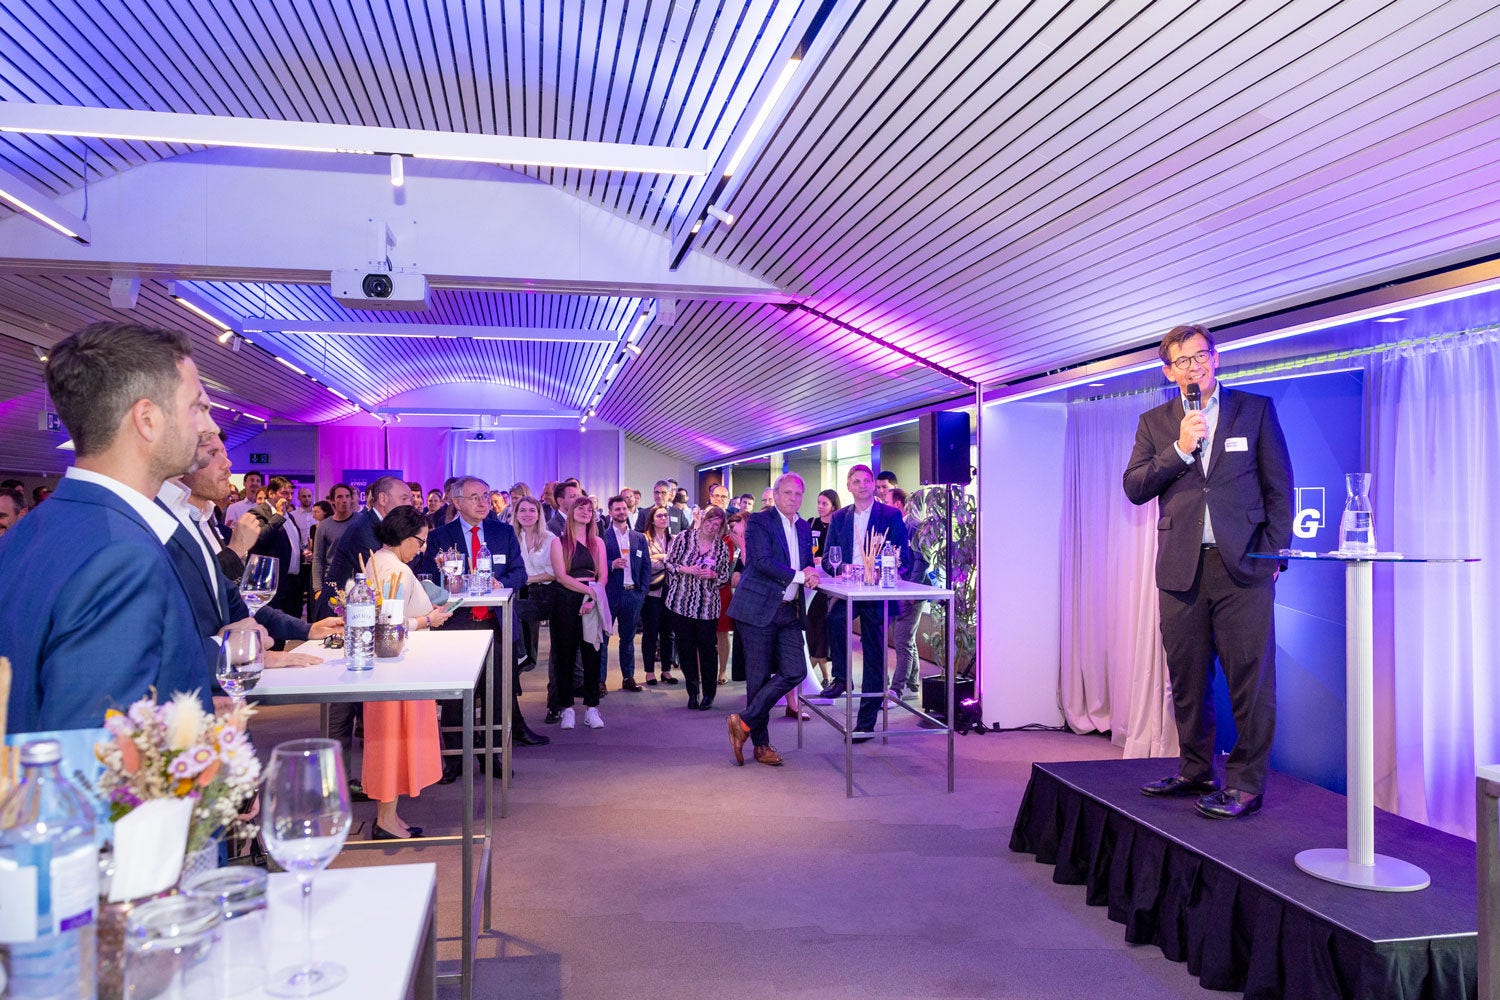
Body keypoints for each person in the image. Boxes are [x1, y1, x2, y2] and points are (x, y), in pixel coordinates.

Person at [0, 321, 218, 732]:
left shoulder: (25, 534)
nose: (209, 427)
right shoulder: (123, 556)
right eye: (196, 407)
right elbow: (97, 751)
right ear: (147, 419)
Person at [1124, 323, 1294, 820]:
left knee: (1250, 681)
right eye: (1183, 360)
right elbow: (1135, 487)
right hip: (1181, 570)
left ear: (1215, 359)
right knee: (1188, 679)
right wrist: (1179, 450)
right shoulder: (1156, 423)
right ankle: (1195, 770)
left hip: (1244, 568)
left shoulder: (1254, 410)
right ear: (1168, 372)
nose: (1194, 367)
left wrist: (1273, 555)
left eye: (1201, 356)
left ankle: (1245, 785)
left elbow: (1280, 488)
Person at [425, 475, 541, 772]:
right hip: (457, 624)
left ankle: (493, 756)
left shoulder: (503, 532)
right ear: (457, 502)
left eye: (486, 496)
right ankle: (454, 760)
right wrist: (451, 583)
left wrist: (501, 582)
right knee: (455, 693)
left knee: (496, 692)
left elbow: (519, 573)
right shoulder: (441, 536)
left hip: (495, 624)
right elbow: (428, 579)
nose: (483, 502)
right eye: (475, 497)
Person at [365, 505, 454, 838]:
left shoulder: (380, 561)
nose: (422, 548)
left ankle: (388, 815)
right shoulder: (395, 569)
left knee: (392, 741)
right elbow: (388, 624)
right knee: (393, 742)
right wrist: (427, 619)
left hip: (394, 663)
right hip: (396, 666)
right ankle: (385, 818)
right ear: (404, 536)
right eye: (420, 540)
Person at [726, 473, 822, 766]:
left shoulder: (804, 527)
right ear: (777, 495)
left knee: (795, 671)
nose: (793, 498)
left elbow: (805, 561)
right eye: (788, 493)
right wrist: (800, 575)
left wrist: (810, 571)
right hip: (757, 608)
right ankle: (761, 745)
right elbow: (761, 562)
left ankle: (743, 721)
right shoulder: (759, 521)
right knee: (757, 679)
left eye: (798, 494)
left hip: (789, 610)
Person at [818, 464, 911, 739]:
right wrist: (841, 569)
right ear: (848, 486)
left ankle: (866, 723)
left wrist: (886, 569)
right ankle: (841, 677)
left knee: (874, 655)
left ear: (873, 485)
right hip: (850, 589)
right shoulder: (839, 517)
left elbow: (904, 556)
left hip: (877, 591)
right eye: (856, 481)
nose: (862, 485)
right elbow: (828, 558)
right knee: (834, 618)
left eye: (866, 480)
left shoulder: (890, 515)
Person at [548, 495, 609, 730]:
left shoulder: (598, 542)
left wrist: (592, 598)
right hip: (566, 599)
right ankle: (567, 708)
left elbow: (603, 576)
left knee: (592, 654)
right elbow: (561, 576)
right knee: (565, 655)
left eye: (589, 510)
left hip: (592, 599)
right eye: (581, 508)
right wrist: (588, 592)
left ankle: (592, 708)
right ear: (571, 511)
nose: (585, 512)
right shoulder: (559, 542)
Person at [664, 505, 732, 711]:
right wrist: (687, 569)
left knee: (707, 650)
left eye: (717, 525)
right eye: (710, 521)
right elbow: (669, 563)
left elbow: (725, 577)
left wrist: (713, 575)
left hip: (707, 607)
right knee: (685, 649)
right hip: (681, 603)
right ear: (703, 520)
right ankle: (692, 691)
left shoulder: (721, 547)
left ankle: (709, 693)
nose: (712, 526)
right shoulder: (684, 537)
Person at [601, 495, 649, 693]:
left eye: (624, 509)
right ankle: (600, 681)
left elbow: (646, 566)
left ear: (628, 510)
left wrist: (642, 592)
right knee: (603, 639)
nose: (621, 512)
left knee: (628, 639)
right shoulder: (602, 537)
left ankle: (628, 678)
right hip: (609, 594)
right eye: (617, 509)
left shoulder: (639, 537)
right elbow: (595, 565)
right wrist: (611, 564)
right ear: (610, 512)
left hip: (632, 594)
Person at [512, 496, 556, 705]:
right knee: (508, 610)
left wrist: (527, 579)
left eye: (532, 510)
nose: (527, 514)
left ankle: (523, 656)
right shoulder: (513, 538)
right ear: (516, 514)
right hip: (524, 592)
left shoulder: (549, 538)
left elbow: (555, 573)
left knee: (514, 611)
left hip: (549, 593)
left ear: (539, 515)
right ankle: (521, 657)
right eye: (523, 510)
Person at [638, 504, 677, 686]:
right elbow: (646, 564)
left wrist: (661, 558)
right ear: (652, 520)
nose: (663, 518)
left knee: (668, 633)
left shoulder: (674, 539)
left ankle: (666, 670)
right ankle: (649, 671)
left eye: (665, 515)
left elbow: (678, 563)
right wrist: (666, 558)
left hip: (671, 592)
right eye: (659, 516)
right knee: (651, 632)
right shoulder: (644, 539)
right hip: (652, 592)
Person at [806, 488, 841, 688]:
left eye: (824, 503)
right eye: (818, 502)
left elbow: (839, 554)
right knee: (813, 624)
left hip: (829, 580)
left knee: (823, 625)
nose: (820, 507)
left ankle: (815, 672)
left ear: (833, 506)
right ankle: (821, 675)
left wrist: (825, 560)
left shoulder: (838, 526)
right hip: (812, 579)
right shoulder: (811, 523)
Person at [311, 483, 356, 604]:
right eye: (340, 497)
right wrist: (318, 589)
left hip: (357, 580)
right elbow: (318, 558)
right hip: (333, 581)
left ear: (352, 498)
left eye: (347, 496)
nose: (344, 500)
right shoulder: (324, 526)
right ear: (332, 500)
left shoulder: (361, 521)